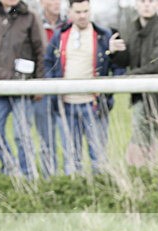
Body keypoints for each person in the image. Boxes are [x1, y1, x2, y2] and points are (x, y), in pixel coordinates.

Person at [44, 0, 126, 175]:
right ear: (70, 12)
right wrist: (54, 91)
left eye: (85, 11)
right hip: (66, 106)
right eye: (78, 12)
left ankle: (102, 195)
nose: (82, 16)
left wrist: (113, 55)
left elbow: (119, 69)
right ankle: (75, 196)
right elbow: (48, 64)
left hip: (94, 106)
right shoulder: (60, 36)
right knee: (71, 160)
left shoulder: (104, 36)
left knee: (99, 158)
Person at [0, 0, 45, 179]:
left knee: (22, 136)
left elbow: (41, 52)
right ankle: (11, 169)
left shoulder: (30, 17)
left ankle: (29, 176)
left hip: (23, 87)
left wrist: (39, 83)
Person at [108, 0, 158, 167]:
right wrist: (114, 51)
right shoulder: (134, 27)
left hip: (156, 97)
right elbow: (127, 59)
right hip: (139, 94)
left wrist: (128, 77)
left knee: (143, 142)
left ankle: (138, 176)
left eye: (151, 1)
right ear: (136, 4)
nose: (146, 5)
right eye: (142, 1)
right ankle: (146, 177)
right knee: (145, 141)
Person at [35, 0, 66, 177]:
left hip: (64, 88)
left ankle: (70, 178)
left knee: (68, 136)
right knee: (46, 138)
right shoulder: (34, 23)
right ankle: (50, 178)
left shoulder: (68, 23)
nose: (56, 3)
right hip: (43, 89)